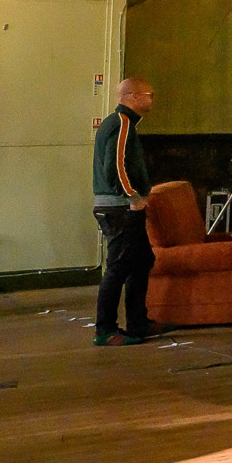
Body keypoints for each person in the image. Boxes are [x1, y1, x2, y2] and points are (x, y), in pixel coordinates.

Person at [90, 77, 159, 346]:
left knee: (141, 260)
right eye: (149, 94)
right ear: (131, 96)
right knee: (117, 267)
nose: (152, 99)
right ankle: (105, 330)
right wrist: (132, 196)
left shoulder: (125, 123)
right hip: (119, 207)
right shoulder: (121, 123)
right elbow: (115, 166)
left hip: (121, 205)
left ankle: (138, 323)